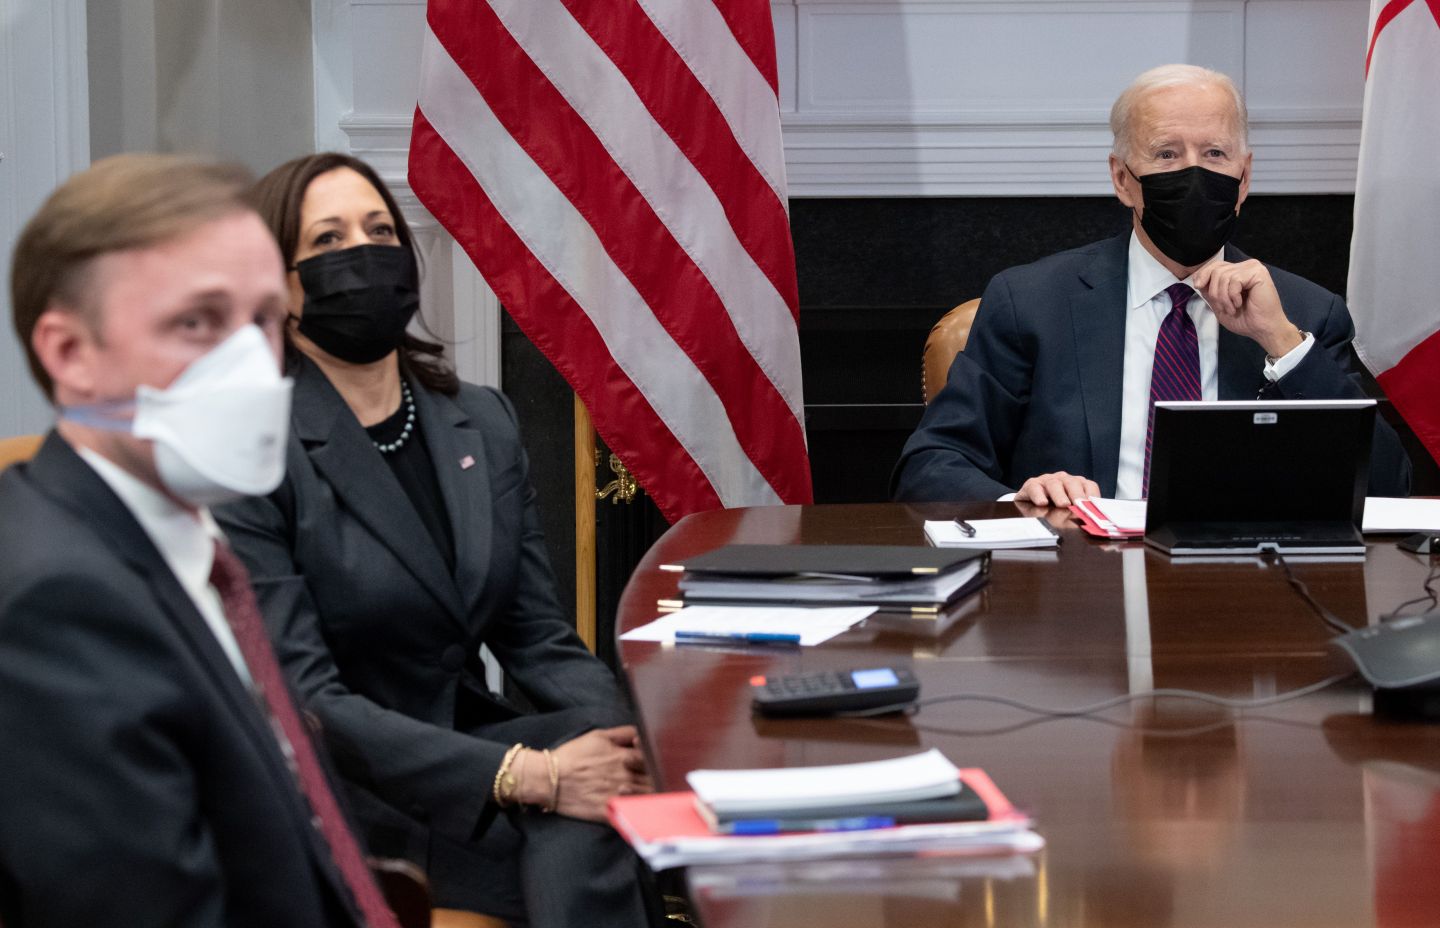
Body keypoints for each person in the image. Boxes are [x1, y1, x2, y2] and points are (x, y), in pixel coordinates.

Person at [214, 153, 658, 927]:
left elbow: (537, 637)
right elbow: (306, 699)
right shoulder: (244, 449)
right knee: (596, 819)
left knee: (608, 768)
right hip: (349, 788)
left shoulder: (481, 420)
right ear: (274, 288)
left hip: (476, 747)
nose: (364, 252)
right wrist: (533, 776)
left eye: (379, 230)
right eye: (328, 240)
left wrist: (635, 742)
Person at [0, 154, 398, 927]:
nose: (247, 363)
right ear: (69, 354)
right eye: (197, 323)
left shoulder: (187, 537)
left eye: (263, 320)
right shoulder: (58, 602)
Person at [893, 64, 1411, 506]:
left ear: (1245, 178)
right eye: (1166, 154)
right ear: (1122, 179)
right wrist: (1024, 503)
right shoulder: (1032, 303)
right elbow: (930, 465)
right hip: (1083, 574)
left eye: (1214, 154)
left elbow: (1388, 487)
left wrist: (1282, 342)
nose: (1193, 173)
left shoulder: (1306, 313)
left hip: (1248, 577)